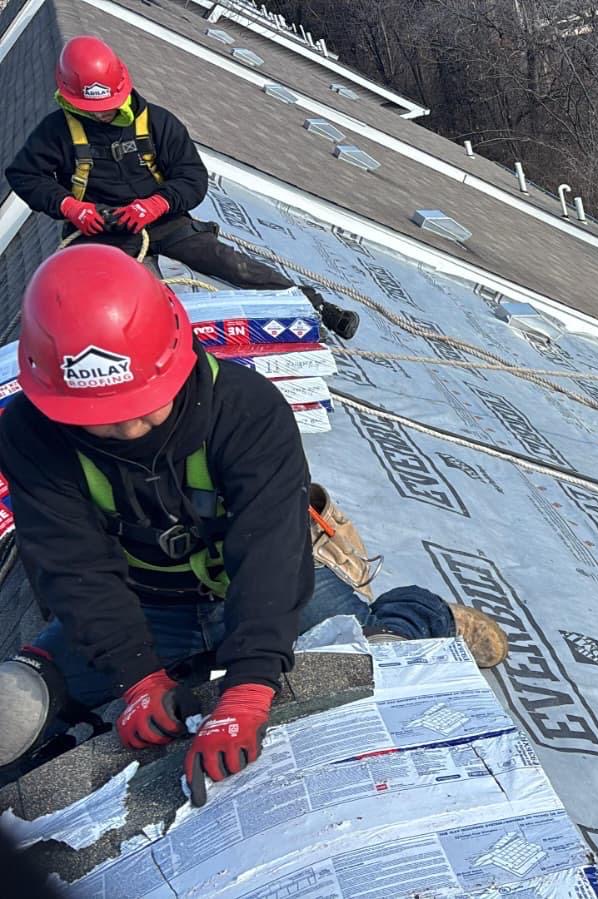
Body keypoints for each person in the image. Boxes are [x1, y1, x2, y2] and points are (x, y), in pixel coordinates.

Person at [0, 246, 505, 801]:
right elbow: (72, 568)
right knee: (13, 707)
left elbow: (269, 552)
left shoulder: (247, 410)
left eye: (143, 406)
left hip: (255, 587)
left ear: (175, 355)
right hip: (144, 605)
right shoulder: (30, 433)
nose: (127, 428)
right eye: (102, 418)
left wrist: (251, 684)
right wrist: (136, 677)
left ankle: (422, 614)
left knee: (370, 661)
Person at [3, 35, 360, 340]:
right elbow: (24, 175)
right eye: (92, 109)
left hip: (164, 221)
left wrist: (157, 204)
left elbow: (192, 178)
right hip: (101, 229)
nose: (101, 114)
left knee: (233, 266)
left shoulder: (157, 123)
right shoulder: (57, 131)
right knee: (134, 297)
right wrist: (70, 207)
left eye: (108, 107)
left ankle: (318, 307)